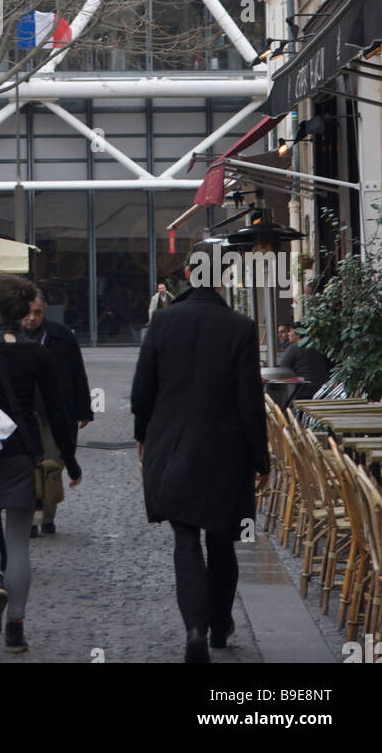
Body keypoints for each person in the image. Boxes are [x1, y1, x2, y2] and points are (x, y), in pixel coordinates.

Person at [130, 269, 269, 663]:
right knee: (223, 539)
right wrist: (261, 458)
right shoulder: (240, 326)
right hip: (226, 450)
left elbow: (143, 391)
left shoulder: (164, 320)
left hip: (172, 447)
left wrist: (143, 436)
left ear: (189, 274)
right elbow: (250, 402)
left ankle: (195, 627)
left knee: (185, 539)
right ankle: (220, 623)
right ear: (224, 278)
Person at [0, 273, 81, 655]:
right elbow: (57, 411)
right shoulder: (38, 352)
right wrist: (70, 462)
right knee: (20, 540)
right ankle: (16, 631)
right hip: (25, 453)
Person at [21, 291, 93, 536]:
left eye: (37, 313)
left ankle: (47, 517)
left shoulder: (62, 335)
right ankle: (31, 517)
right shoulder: (12, 337)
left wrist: (84, 410)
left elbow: (77, 374)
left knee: (52, 465)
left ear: (45, 312)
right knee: (28, 466)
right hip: (25, 410)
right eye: (27, 313)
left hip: (58, 411)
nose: (31, 318)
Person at [280, 322, 333, 398]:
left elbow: (283, 367)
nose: (288, 334)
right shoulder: (319, 346)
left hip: (304, 389)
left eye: (290, 331)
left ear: (298, 334)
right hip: (324, 389)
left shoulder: (294, 348)